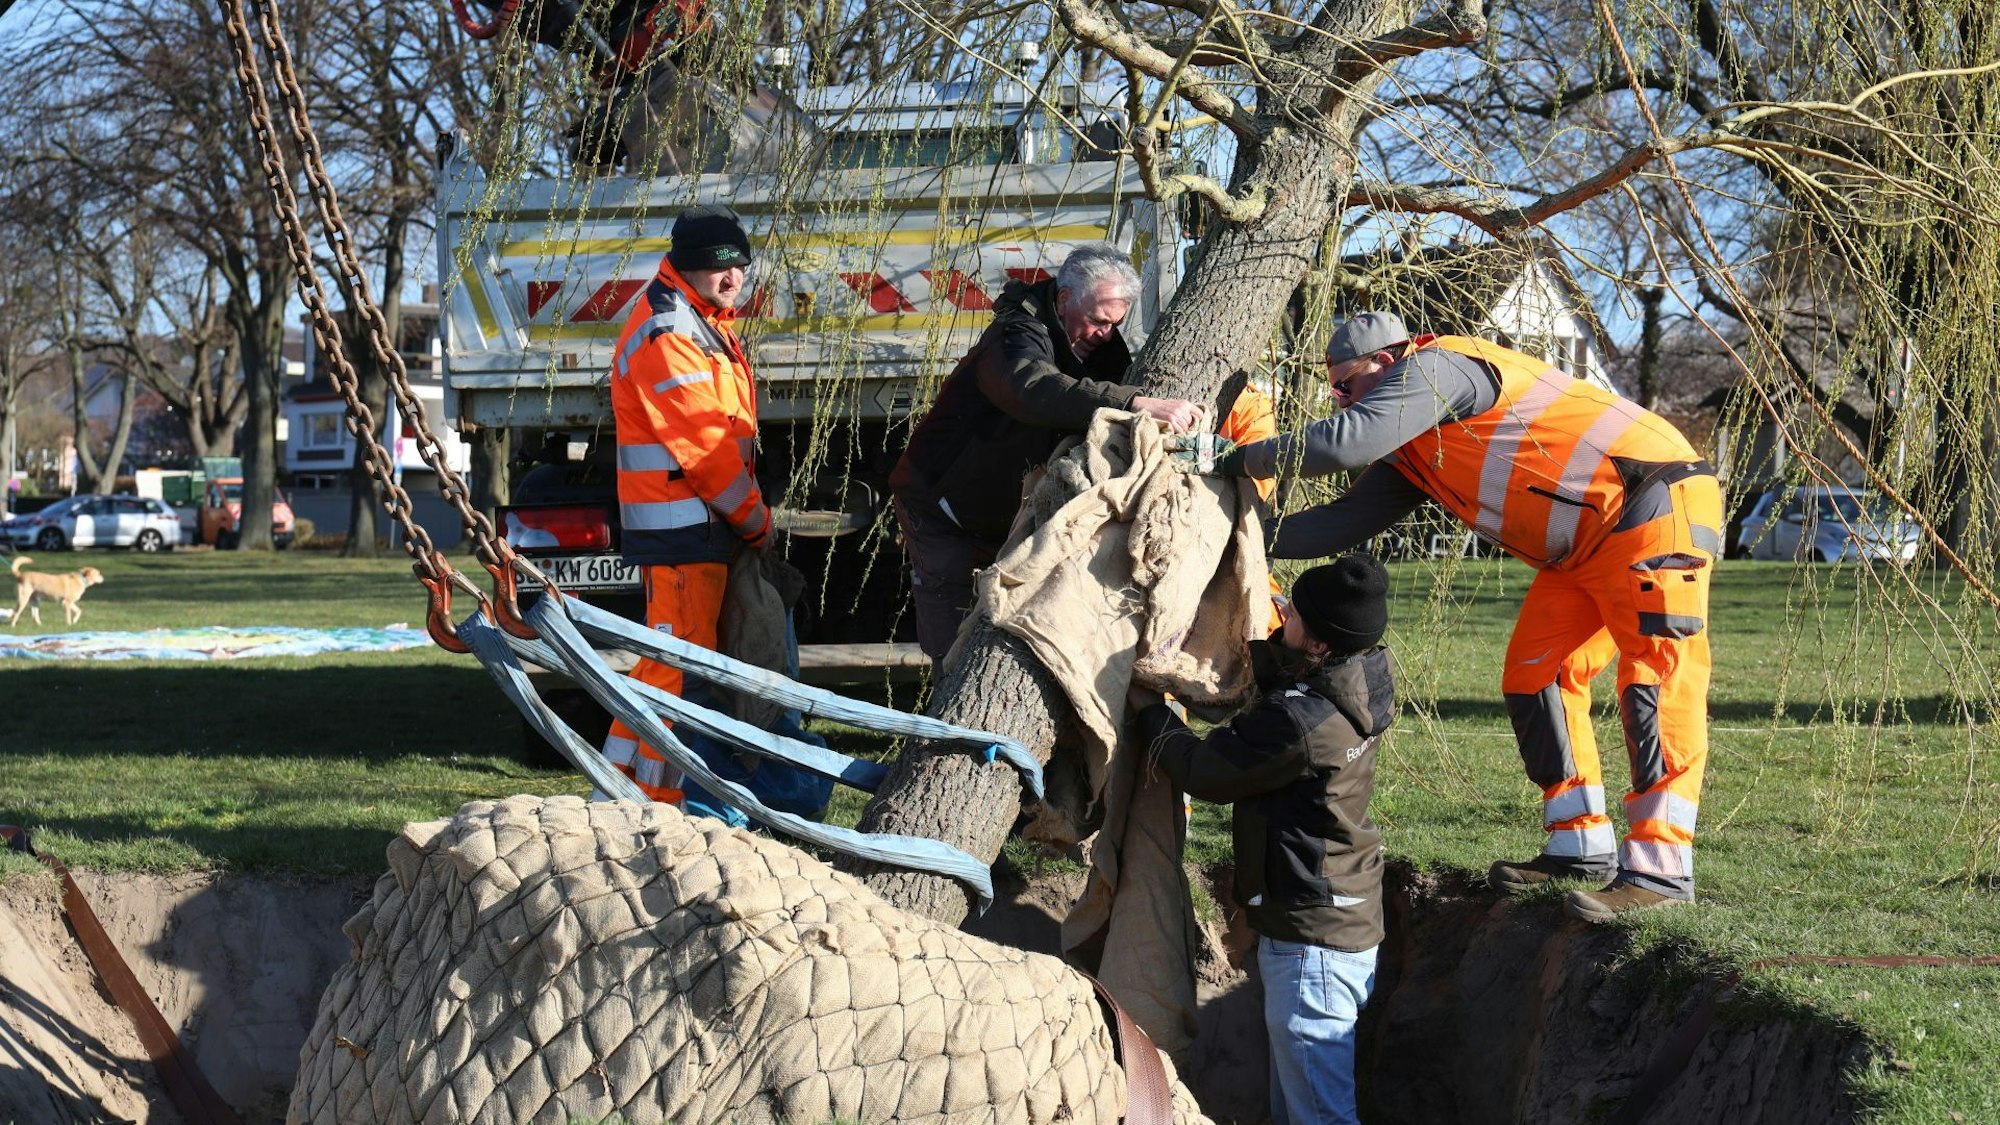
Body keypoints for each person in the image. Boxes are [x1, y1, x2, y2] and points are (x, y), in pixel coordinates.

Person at [1178, 311, 1721, 922]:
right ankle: (1579, 845)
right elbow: (1341, 523)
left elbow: (1344, 442)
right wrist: (1234, 537)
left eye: (1347, 386)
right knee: (1535, 676)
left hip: (1650, 507)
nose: (1342, 401)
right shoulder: (1414, 445)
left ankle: (1660, 868)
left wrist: (1234, 459)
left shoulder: (1440, 369)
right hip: (1583, 547)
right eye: (1335, 392)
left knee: (1656, 678)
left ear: (1387, 361)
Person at [1129, 553, 1395, 1125]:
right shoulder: (1361, 684)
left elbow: (1207, 772)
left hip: (1312, 949)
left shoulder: (1300, 723)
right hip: (1343, 921)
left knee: (1320, 1118)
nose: (1281, 615)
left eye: (1292, 614)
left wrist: (1150, 710)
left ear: (1319, 645)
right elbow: (1286, 703)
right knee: (1302, 1110)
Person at [598, 203, 828, 822]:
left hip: (694, 530)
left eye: (740, 266)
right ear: (686, 265)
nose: (733, 278)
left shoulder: (695, 320)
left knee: (673, 666)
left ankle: (630, 797)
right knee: (678, 671)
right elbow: (706, 451)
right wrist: (755, 522)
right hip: (685, 531)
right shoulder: (671, 330)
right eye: (717, 267)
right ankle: (659, 807)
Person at [889, 244, 1203, 667]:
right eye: (1098, 321)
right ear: (1065, 298)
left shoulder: (1100, 345)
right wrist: (1132, 402)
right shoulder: (1013, 336)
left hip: (1002, 509)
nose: (1105, 334)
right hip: (941, 506)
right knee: (954, 640)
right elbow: (1033, 388)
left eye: (1116, 324)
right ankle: (950, 701)